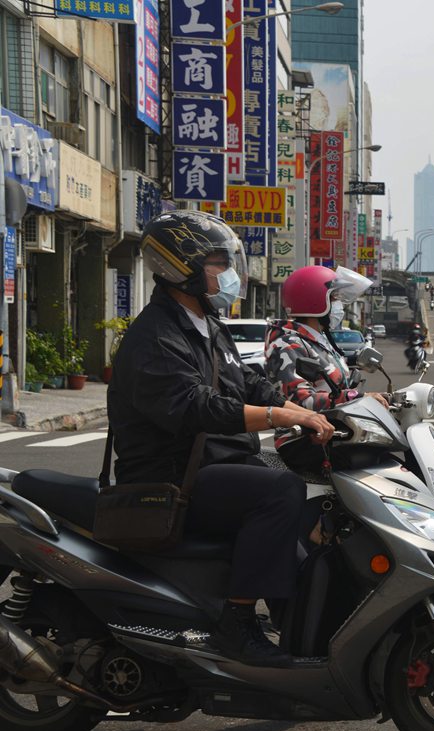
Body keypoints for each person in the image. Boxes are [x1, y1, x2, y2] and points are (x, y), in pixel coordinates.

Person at [107, 211, 335, 668]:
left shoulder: (207, 326)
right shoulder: (155, 336)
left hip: (212, 466)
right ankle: (239, 622)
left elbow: (248, 384)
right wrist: (275, 415)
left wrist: (319, 409)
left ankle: (302, 630)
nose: (228, 274)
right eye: (217, 263)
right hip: (169, 479)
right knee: (279, 490)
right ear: (181, 268)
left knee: (315, 497)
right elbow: (197, 407)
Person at [265, 264, 389, 413]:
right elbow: (300, 400)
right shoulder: (288, 344)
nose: (339, 305)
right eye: (334, 298)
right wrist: (356, 396)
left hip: (334, 429)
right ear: (315, 301)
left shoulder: (317, 340)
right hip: (304, 434)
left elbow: (336, 388)